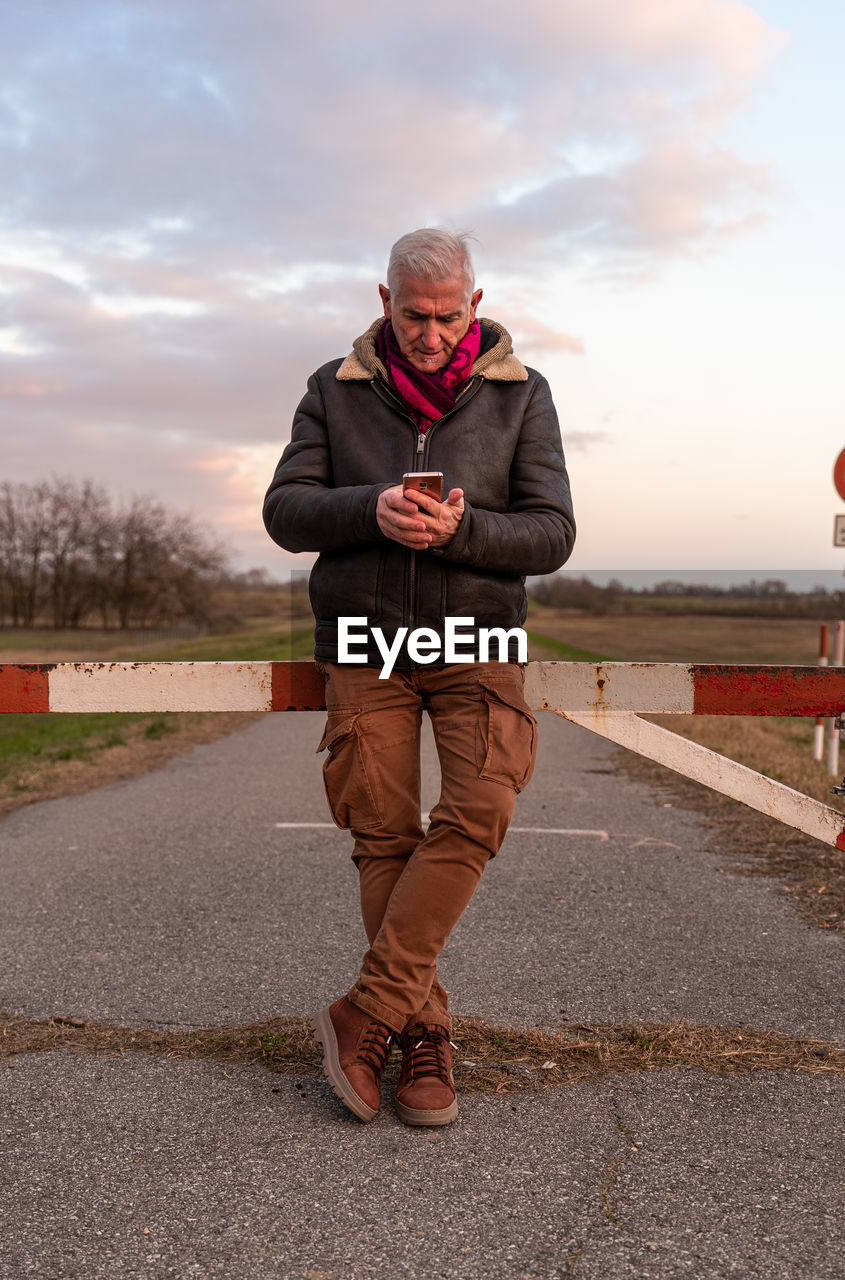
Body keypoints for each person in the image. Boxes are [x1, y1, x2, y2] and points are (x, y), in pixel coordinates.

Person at [263, 228, 575, 1126]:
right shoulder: (333, 387)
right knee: (383, 832)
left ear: (473, 307)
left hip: (477, 640)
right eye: (412, 315)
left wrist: (462, 532)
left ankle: (367, 1008)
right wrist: (370, 510)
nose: (430, 334)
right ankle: (423, 1035)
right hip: (366, 637)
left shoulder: (524, 393)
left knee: (481, 806)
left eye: (445, 317)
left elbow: (552, 532)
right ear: (382, 301)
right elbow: (285, 512)